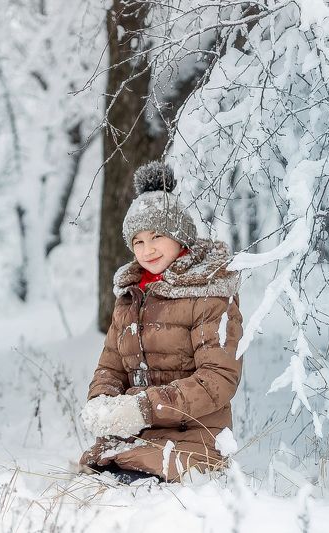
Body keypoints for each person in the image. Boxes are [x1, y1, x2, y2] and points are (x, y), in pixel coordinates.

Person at [78, 161, 244, 483]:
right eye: (138, 241)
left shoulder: (209, 294)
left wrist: (142, 407)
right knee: (92, 477)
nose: (147, 249)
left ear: (180, 237)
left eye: (157, 236)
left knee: (133, 485)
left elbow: (218, 378)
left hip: (195, 437)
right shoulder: (130, 297)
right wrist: (102, 402)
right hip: (136, 437)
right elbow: (110, 367)